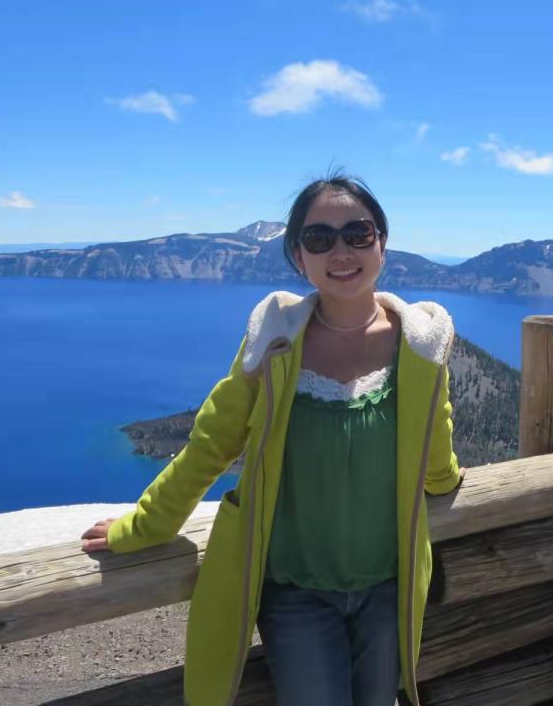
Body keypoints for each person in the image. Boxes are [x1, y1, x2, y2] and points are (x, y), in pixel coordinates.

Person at [80, 173, 466, 706]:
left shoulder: (420, 347)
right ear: (298, 256)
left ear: (381, 242)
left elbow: (434, 444)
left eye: (357, 233)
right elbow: (210, 445)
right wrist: (144, 526)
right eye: (319, 238)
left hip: (389, 585)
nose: (341, 251)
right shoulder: (275, 342)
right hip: (295, 593)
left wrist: (447, 481)